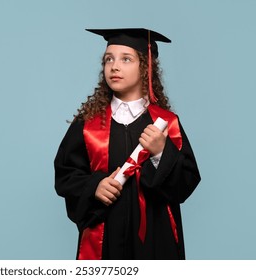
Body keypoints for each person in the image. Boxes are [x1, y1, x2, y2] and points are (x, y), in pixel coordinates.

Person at [54, 28, 201, 260]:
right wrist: (95, 187)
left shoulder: (166, 124)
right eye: (108, 59)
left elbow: (187, 182)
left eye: (126, 59)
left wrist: (161, 152)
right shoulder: (88, 124)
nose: (114, 66)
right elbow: (65, 175)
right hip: (105, 237)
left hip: (156, 238)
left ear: (145, 67)